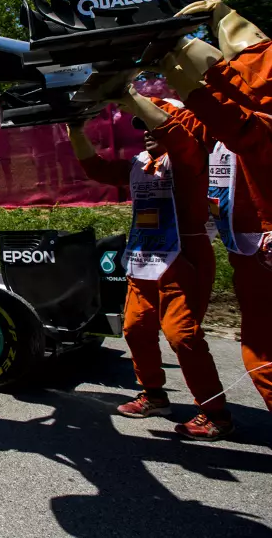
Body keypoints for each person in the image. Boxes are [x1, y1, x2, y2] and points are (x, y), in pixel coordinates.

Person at [67, 86, 232, 440]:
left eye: (154, 126)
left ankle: (214, 412)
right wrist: (75, 130)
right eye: (141, 126)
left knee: (182, 336)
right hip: (144, 259)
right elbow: (96, 169)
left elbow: (178, 135)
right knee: (135, 328)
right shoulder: (139, 165)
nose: (146, 133)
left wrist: (126, 92)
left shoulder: (190, 159)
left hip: (183, 258)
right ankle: (154, 395)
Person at [158, 0, 272, 417]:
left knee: (262, 355)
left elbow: (246, 92)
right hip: (248, 252)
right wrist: (167, 63)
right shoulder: (214, 129)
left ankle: (213, 413)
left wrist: (218, 24)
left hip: (258, 248)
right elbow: (187, 121)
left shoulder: (254, 119)